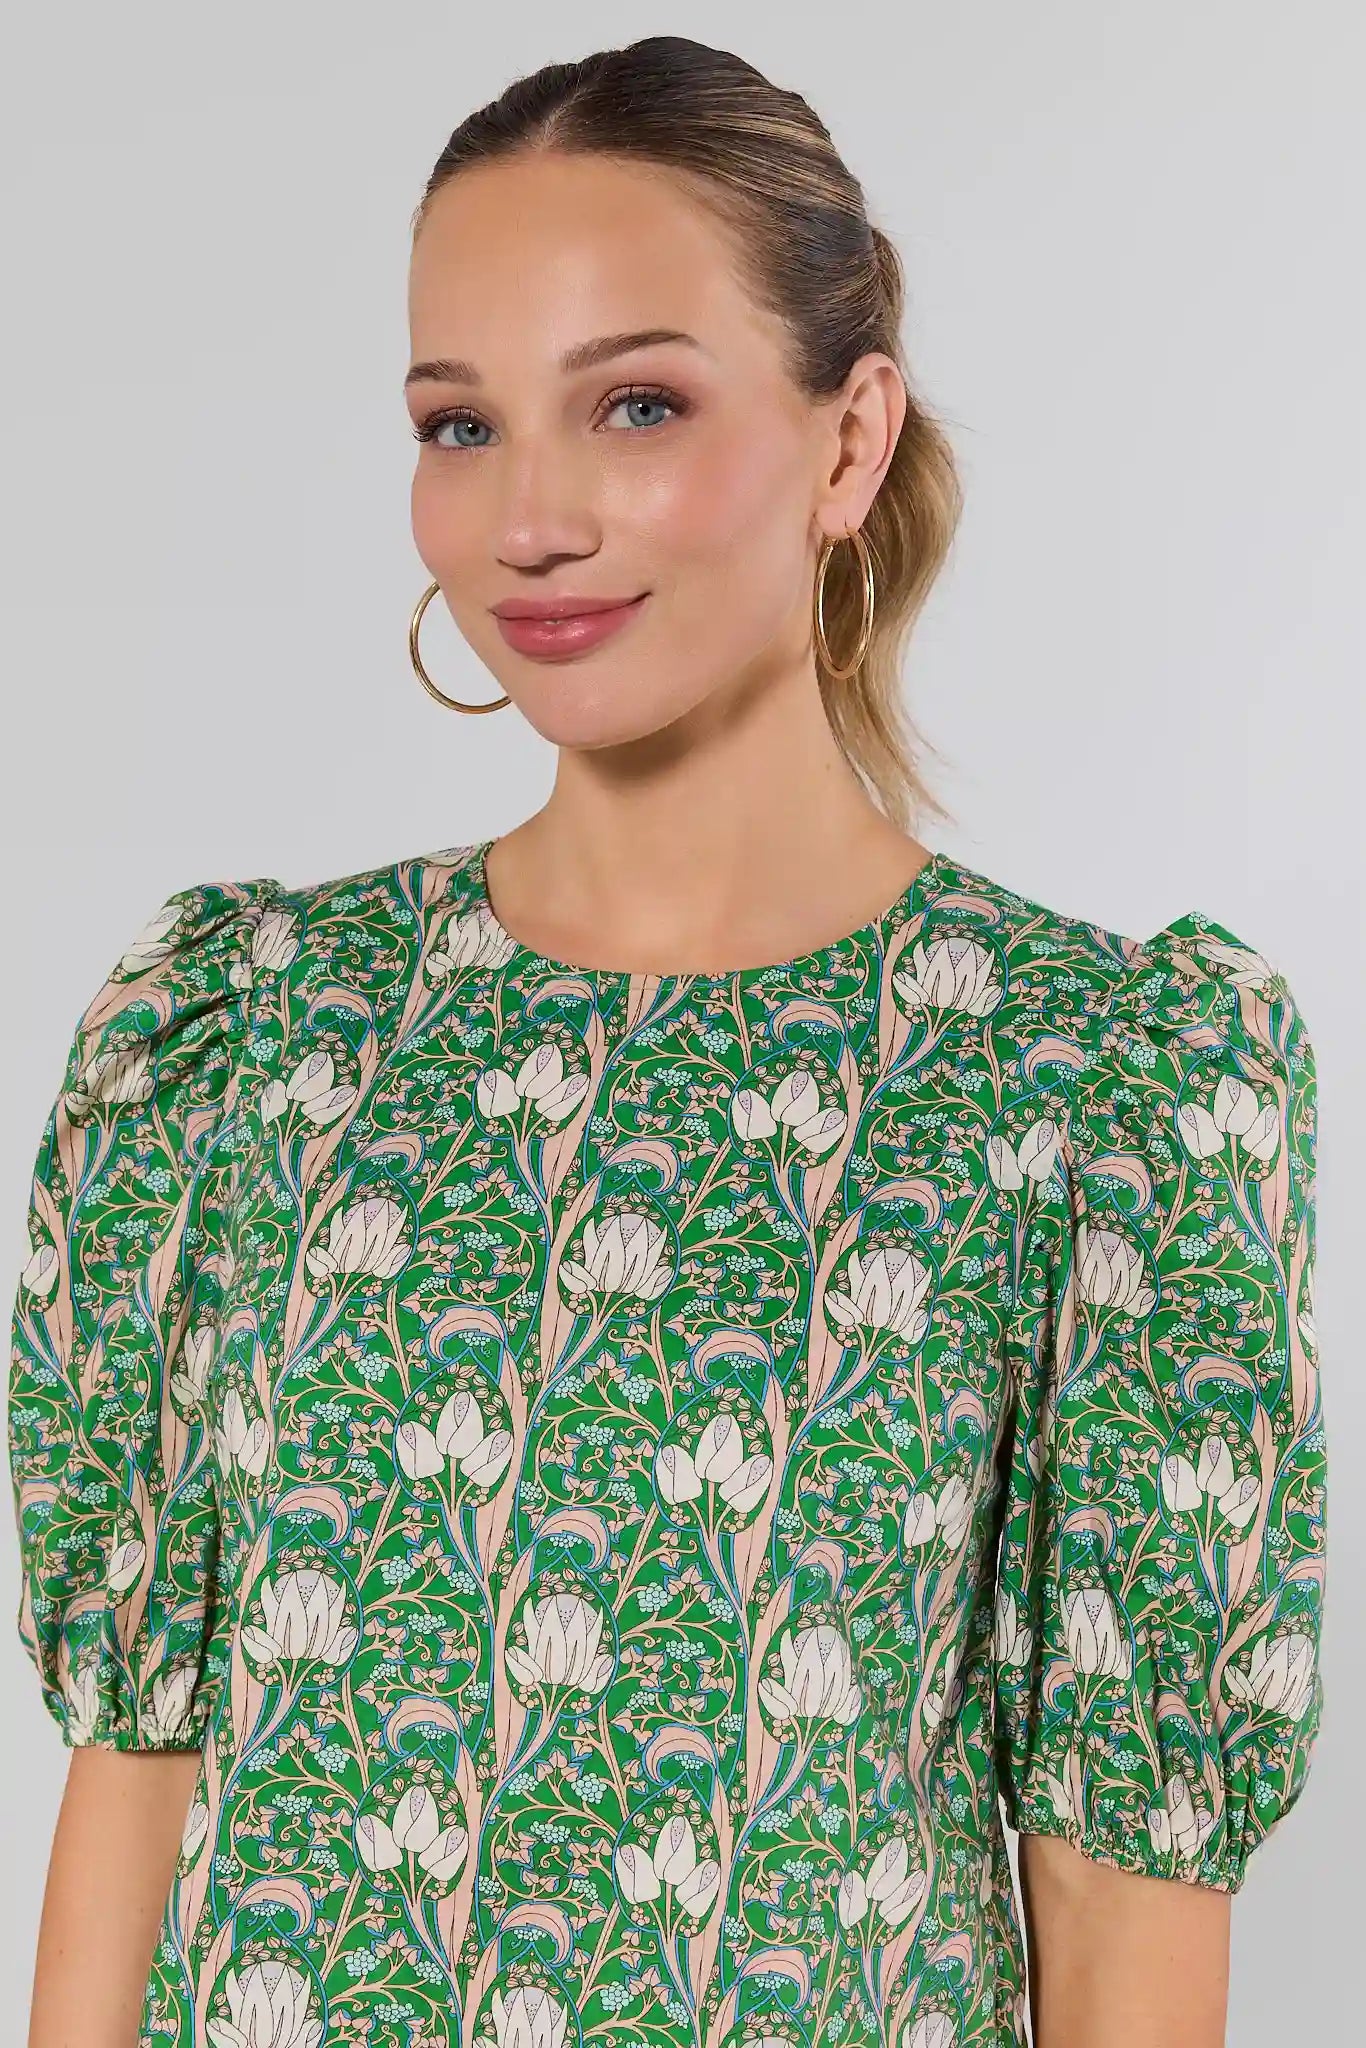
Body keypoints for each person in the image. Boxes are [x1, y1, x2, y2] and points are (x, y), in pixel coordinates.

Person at [6, 34, 1324, 2048]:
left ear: (843, 439)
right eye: (458, 425)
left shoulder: (1093, 1086)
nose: (527, 517)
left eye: (633, 402)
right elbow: (141, 1767)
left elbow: (1120, 1897)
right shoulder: (243, 1037)